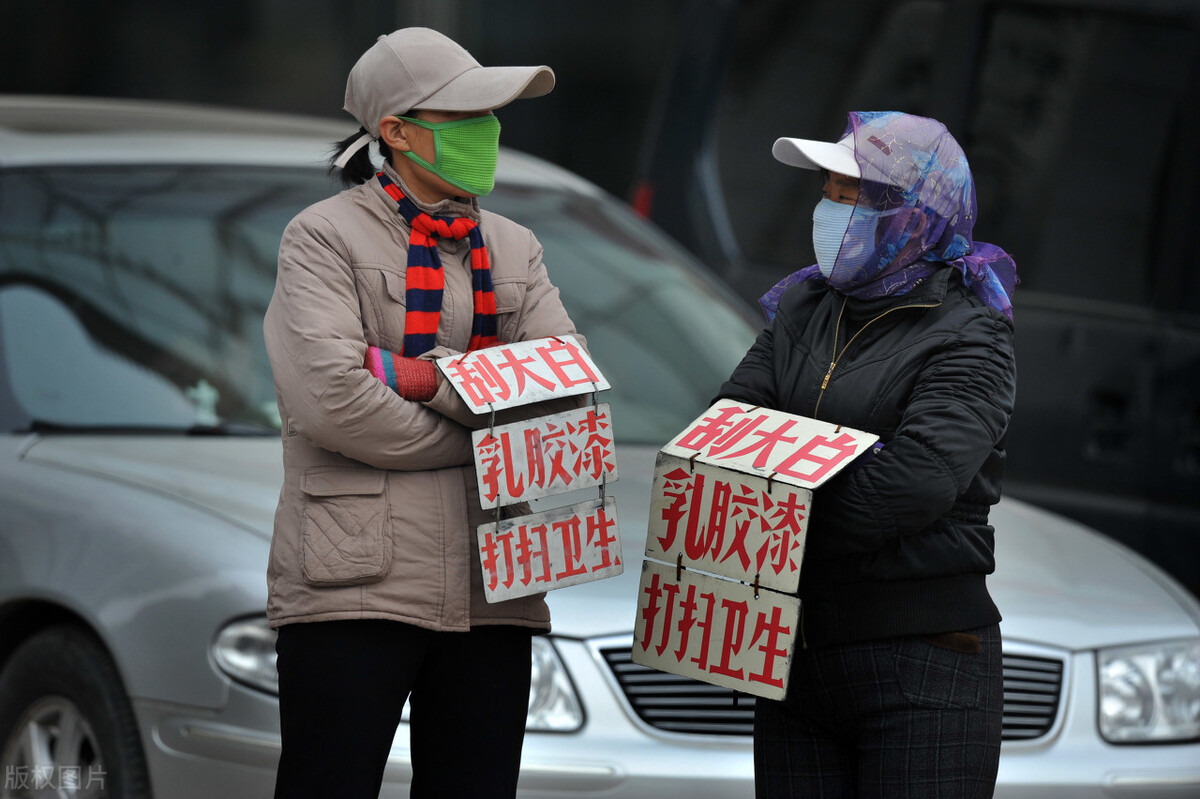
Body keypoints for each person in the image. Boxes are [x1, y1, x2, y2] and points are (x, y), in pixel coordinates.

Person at [262, 28, 580, 799]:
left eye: (490, 113)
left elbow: (563, 392)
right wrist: (487, 433)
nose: (487, 130)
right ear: (396, 133)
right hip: (352, 582)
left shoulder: (516, 246)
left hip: (495, 588)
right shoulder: (322, 236)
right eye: (464, 115)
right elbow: (336, 402)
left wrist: (422, 378)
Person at [716, 111, 1018, 797]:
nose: (830, 210)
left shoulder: (971, 332)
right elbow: (729, 428)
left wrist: (773, 523)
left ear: (917, 217)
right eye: (827, 192)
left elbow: (914, 482)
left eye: (853, 196)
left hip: (922, 663)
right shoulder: (802, 307)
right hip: (795, 659)